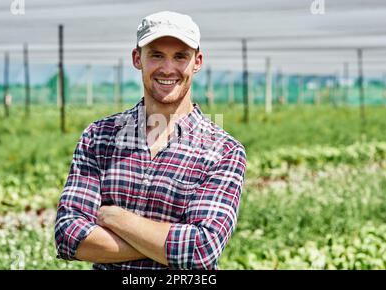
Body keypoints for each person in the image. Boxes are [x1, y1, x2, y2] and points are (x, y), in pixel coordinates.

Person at [54, 11, 247, 270]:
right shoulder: (99, 137)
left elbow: (200, 250)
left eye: (180, 56)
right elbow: (69, 237)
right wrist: (164, 247)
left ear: (197, 62)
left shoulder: (223, 151)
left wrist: (116, 218)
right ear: (137, 58)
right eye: (156, 55)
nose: (168, 69)